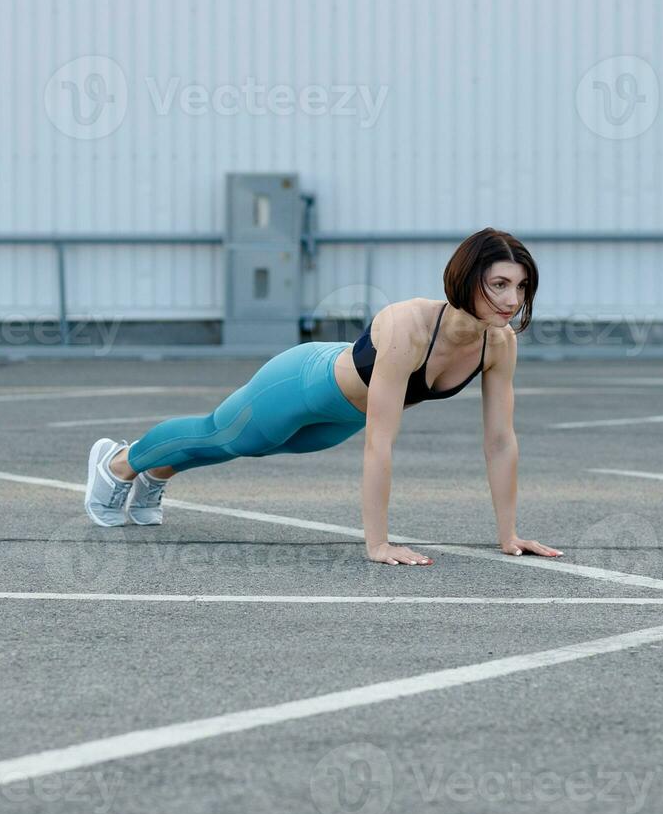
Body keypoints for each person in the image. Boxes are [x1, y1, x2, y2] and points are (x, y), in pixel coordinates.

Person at [82, 227, 563, 567]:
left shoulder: (498, 344)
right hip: (303, 383)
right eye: (499, 284)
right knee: (226, 435)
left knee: (253, 446)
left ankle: (159, 471)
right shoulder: (408, 327)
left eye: (521, 287)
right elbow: (381, 441)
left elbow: (500, 442)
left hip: (342, 418)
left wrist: (509, 536)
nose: (512, 299)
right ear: (465, 278)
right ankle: (121, 463)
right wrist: (378, 543)